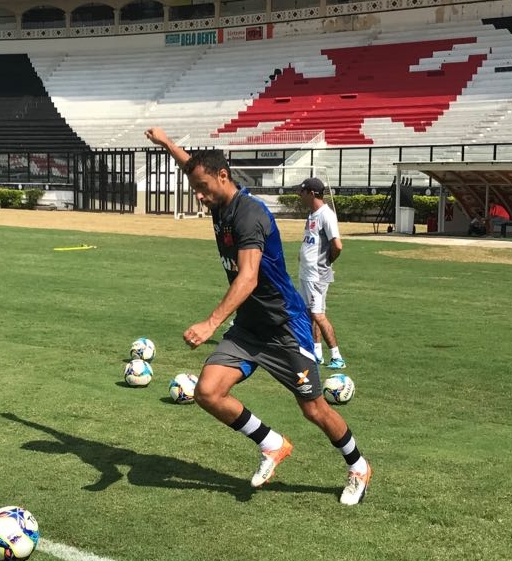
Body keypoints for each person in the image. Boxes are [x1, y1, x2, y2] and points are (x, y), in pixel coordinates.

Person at [144, 126, 372, 505]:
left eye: (203, 188)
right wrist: (167, 143)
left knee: (313, 408)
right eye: (195, 189)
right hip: (249, 327)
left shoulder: (250, 216)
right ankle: (272, 444)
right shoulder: (218, 198)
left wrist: (210, 322)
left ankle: (359, 467)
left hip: (284, 327)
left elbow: (248, 278)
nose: (199, 198)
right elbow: (194, 166)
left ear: (223, 176)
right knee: (207, 391)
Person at [297, 177, 346, 369]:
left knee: (318, 314)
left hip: (316, 274)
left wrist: (327, 261)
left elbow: (337, 245)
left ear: (311, 193)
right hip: (307, 273)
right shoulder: (312, 214)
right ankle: (316, 352)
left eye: (302, 191)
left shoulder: (326, 215)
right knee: (309, 313)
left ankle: (336, 356)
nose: (299, 195)